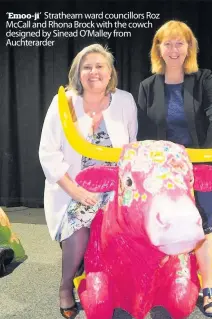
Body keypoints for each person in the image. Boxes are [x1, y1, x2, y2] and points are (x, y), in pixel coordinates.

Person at [137, 20, 212, 317]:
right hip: (165, 170)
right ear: (158, 49)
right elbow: (143, 132)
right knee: (163, 223)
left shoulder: (203, 78)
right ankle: (164, 282)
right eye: (168, 43)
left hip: (204, 163)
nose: (174, 49)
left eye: (180, 43)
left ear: (189, 47)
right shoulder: (147, 87)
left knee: (203, 223)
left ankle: (208, 286)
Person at [39, 43, 138, 319]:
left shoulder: (125, 101)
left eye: (100, 66)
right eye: (87, 67)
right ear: (77, 73)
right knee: (80, 227)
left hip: (115, 186)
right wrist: (77, 191)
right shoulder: (64, 102)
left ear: (110, 72)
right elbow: (48, 153)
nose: (93, 72)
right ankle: (65, 286)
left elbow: (131, 147)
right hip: (73, 187)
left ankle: (117, 285)